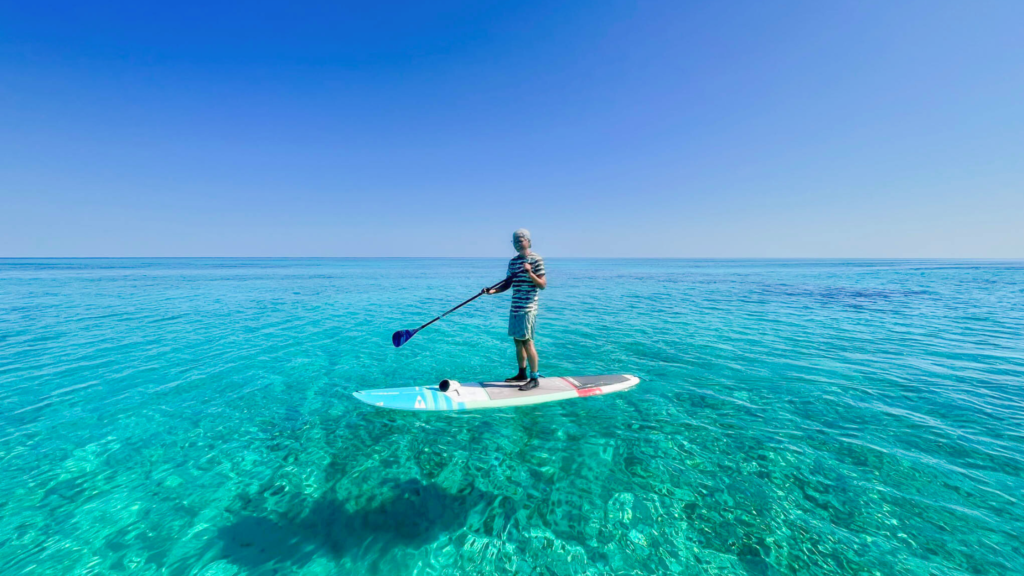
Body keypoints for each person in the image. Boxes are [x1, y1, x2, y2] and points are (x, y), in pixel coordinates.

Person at [483, 229, 547, 391]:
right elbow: (507, 284)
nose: (518, 243)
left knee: (527, 341)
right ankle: (522, 374)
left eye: (520, 240)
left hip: (528, 308)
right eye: (515, 241)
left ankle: (534, 378)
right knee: (517, 341)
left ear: (528, 241)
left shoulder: (536, 259)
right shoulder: (512, 262)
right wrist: (492, 291)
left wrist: (530, 272)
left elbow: (542, 285)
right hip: (515, 307)